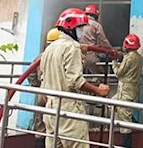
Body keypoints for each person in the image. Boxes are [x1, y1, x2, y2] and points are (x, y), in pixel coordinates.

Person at [41, 8, 110, 148]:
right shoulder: (72, 47)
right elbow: (75, 81)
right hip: (68, 111)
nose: (83, 31)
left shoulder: (50, 48)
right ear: (71, 28)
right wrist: (98, 90)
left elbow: (47, 77)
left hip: (50, 110)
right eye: (81, 28)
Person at [28, 28, 61, 148]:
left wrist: (35, 85)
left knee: (40, 123)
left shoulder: (41, 56)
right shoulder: (59, 56)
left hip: (42, 90)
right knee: (55, 122)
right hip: (54, 92)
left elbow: (30, 71)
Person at [112, 34, 143, 148]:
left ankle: (126, 145)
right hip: (132, 89)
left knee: (124, 123)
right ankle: (132, 120)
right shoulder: (139, 58)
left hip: (124, 90)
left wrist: (114, 62)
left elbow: (119, 73)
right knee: (112, 104)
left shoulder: (128, 58)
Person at [79, 4, 113, 75]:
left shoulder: (80, 24)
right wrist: (111, 50)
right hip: (90, 55)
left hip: (79, 54)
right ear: (96, 15)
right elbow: (103, 40)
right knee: (100, 75)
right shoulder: (96, 25)